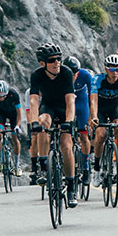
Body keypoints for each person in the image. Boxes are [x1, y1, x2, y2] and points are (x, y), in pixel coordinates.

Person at [29, 42, 78, 208]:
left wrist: (69, 123)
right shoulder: (37, 75)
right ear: (43, 63)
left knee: (66, 145)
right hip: (48, 106)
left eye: (59, 59)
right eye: (52, 60)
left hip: (65, 108)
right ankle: (43, 166)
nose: (57, 62)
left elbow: (70, 100)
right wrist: (33, 122)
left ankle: (71, 188)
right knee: (43, 122)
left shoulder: (66, 73)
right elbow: (34, 100)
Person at [89, 54, 118, 185]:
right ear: (105, 69)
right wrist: (95, 117)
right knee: (101, 134)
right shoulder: (97, 79)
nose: (115, 73)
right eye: (112, 69)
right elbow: (93, 100)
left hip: (115, 107)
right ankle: (96, 169)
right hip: (101, 109)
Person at [64, 56, 94, 185]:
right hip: (66, 103)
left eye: (75, 73)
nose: (74, 76)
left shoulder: (85, 75)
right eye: (71, 73)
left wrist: (91, 118)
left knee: (84, 135)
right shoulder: (61, 75)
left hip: (81, 103)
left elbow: (93, 98)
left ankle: (86, 167)